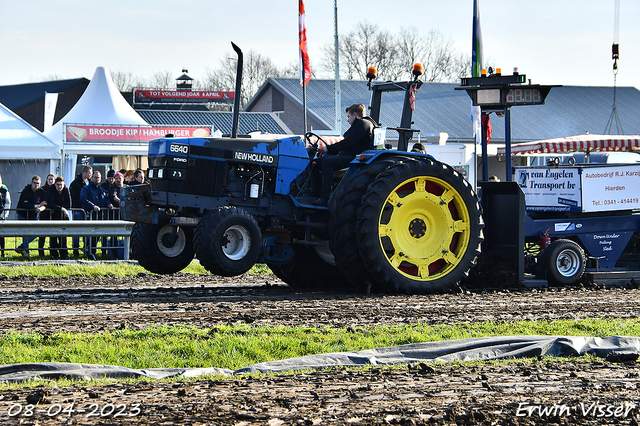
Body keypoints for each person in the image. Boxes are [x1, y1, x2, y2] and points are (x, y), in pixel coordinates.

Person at [311, 103, 376, 205]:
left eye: (348, 116)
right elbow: (346, 144)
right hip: (347, 155)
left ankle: (324, 198)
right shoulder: (356, 126)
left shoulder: (363, 123)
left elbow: (349, 142)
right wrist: (327, 151)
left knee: (328, 162)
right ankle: (314, 194)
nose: (347, 120)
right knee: (314, 163)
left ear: (354, 114)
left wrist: (328, 149)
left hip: (355, 157)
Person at [80, 171, 113, 258]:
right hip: (90, 216)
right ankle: (88, 251)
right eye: (95, 177)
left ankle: (94, 252)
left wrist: (109, 204)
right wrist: (93, 206)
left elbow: (106, 199)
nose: (97, 179)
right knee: (90, 236)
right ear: (92, 178)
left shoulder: (101, 190)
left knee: (98, 236)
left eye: (98, 177)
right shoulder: (86, 188)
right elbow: (83, 199)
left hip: (100, 216)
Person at [15, 175, 47, 260]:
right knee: (25, 234)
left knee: (37, 232)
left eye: (38, 183)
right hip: (23, 215)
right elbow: (25, 204)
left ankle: (22, 247)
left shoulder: (41, 191)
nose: (36, 185)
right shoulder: (25, 191)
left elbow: (45, 204)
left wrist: (40, 208)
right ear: (31, 183)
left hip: (33, 215)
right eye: (35, 183)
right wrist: (37, 206)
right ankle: (27, 255)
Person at [69, 165, 92, 257]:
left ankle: (86, 247)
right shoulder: (75, 183)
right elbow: (73, 197)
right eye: (89, 173)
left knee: (87, 230)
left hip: (87, 210)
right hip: (78, 210)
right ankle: (75, 249)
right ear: (84, 172)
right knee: (77, 230)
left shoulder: (90, 183)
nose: (90, 175)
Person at [48, 176, 71, 260]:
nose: (59, 187)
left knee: (63, 237)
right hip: (54, 217)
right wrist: (62, 209)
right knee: (53, 236)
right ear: (55, 184)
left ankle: (64, 254)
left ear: (63, 184)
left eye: (61, 185)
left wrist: (59, 208)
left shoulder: (66, 190)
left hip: (63, 217)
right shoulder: (51, 190)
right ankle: (54, 254)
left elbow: (69, 204)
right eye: (57, 184)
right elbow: (50, 203)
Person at [38, 173, 56, 257]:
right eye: (49, 179)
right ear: (46, 180)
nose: (50, 181)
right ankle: (41, 251)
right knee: (42, 234)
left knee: (52, 235)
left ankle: (52, 252)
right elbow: (41, 200)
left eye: (52, 179)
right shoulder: (42, 189)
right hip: (44, 214)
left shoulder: (55, 190)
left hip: (53, 214)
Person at [0, 174, 11, 258]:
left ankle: (2, 252)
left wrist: (3, 215)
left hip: (1, 215)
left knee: (1, 235)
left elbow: (7, 204)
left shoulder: (4, 190)